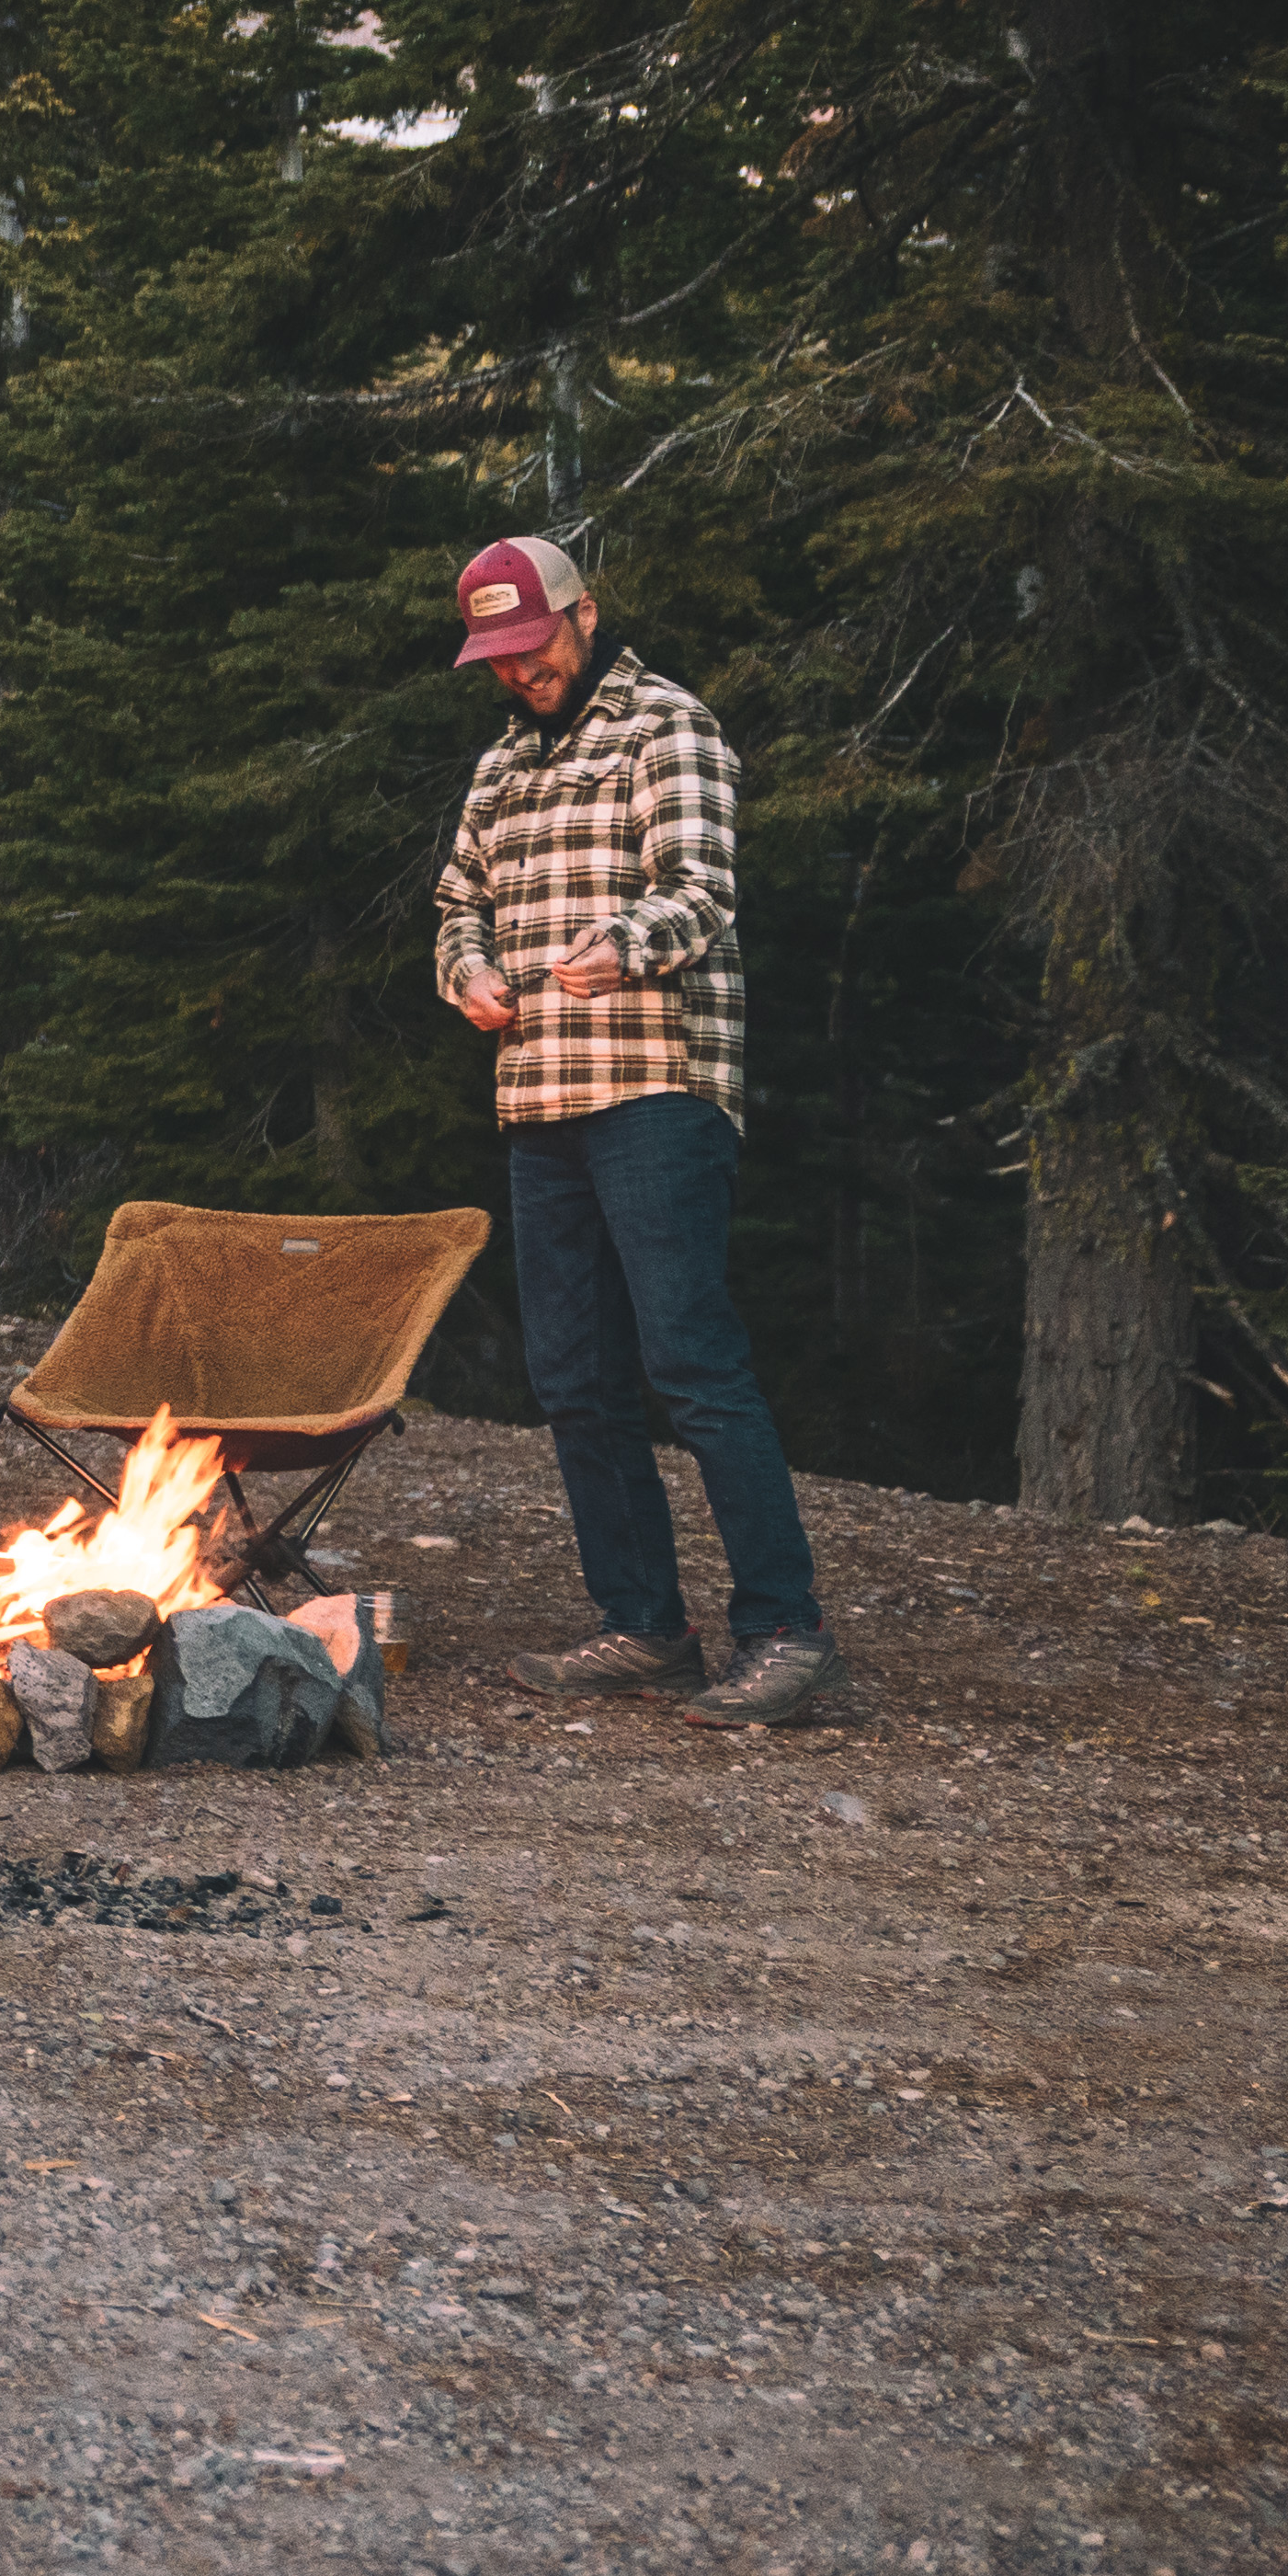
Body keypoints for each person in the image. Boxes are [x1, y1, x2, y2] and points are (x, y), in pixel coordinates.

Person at [430, 533, 859, 1729]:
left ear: (584, 615)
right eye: (501, 659)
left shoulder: (669, 727)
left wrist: (624, 946)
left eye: (534, 647)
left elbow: (704, 886)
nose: (522, 675)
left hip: (657, 1089)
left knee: (691, 1361)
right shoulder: (502, 765)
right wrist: (467, 970)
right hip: (540, 1103)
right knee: (574, 1378)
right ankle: (644, 1625)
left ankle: (785, 1628)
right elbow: (457, 903)